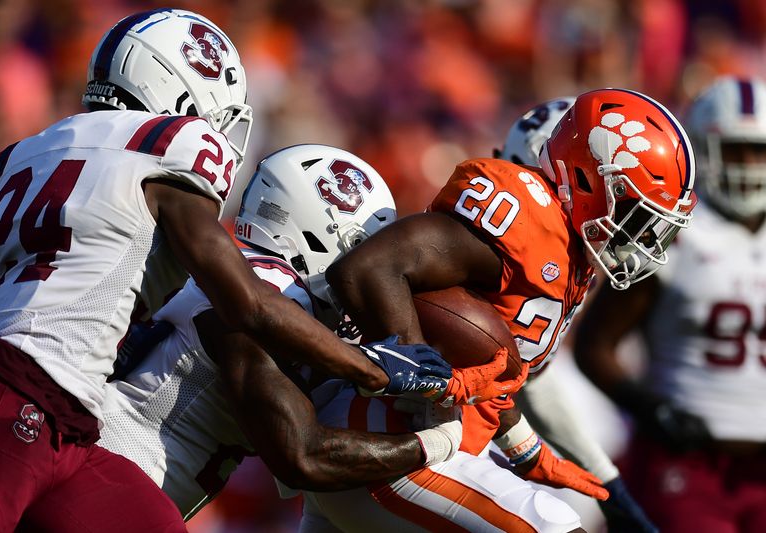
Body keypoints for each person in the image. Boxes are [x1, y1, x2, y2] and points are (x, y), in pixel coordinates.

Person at [0, 10, 464, 532]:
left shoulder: (30, 150)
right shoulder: (173, 153)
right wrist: (379, 373)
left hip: (66, 411)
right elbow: (253, 318)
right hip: (32, 393)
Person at [315, 88, 696, 531]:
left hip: (423, 445)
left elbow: (487, 362)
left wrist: (524, 446)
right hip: (390, 441)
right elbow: (369, 269)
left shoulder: (570, 253)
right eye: (636, 214)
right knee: (556, 525)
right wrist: (423, 377)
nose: (643, 240)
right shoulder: (526, 216)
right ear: (590, 179)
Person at [94, 144, 469, 521]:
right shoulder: (269, 291)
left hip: (134, 483)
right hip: (117, 478)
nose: (370, 269)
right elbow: (304, 457)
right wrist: (434, 443)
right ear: (329, 236)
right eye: (363, 248)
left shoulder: (267, 289)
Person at [574, 76, 766, 532]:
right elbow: (595, 345)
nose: (751, 164)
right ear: (702, 147)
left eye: (760, 150)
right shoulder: (675, 231)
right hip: (687, 460)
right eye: (737, 149)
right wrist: (647, 407)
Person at [495, 97, 657, 532]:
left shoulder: (564, 254)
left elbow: (528, 376)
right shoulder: (508, 233)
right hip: (402, 434)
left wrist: (608, 484)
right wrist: (530, 451)